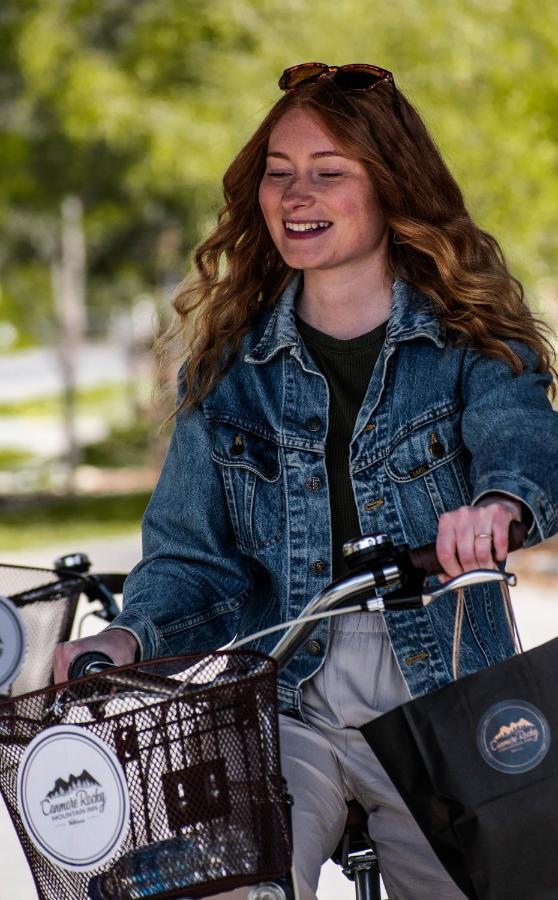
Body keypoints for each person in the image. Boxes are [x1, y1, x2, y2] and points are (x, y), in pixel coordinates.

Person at [54, 62, 558, 899]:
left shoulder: (472, 338)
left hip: (443, 686)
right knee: (224, 882)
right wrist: (131, 637)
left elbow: (525, 442)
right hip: (279, 689)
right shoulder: (227, 369)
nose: (296, 194)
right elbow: (191, 555)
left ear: (392, 188)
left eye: (328, 173)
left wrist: (497, 507)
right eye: (278, 174)